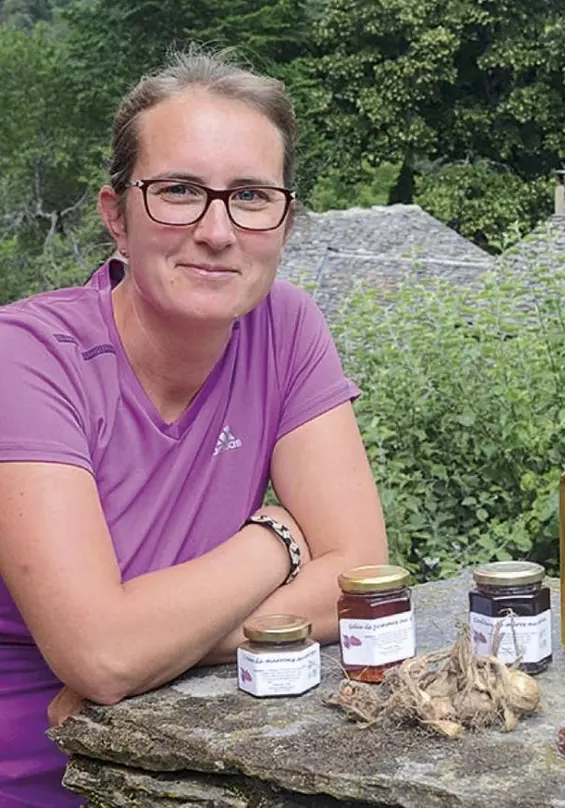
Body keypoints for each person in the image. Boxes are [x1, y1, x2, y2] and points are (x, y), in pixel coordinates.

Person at [0, 49, 388, 807]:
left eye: (250, 196)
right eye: (179, 191)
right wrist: (274, 539)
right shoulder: (26, 358)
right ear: (116, 214)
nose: (217, 230)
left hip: (193, 763)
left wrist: (160, 653)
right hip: (38, 773)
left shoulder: (285, 326)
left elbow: (358, 579)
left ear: (283, 219)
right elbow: (101, 655)